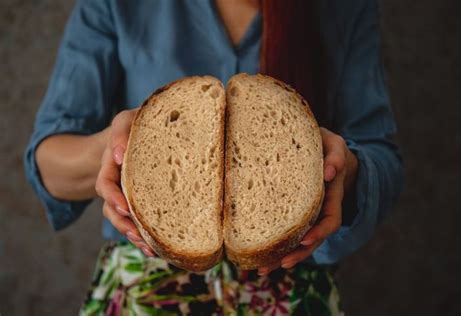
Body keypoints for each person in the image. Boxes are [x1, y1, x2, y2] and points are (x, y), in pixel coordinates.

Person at [24, 0, 403, 314]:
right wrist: (113, 149)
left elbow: (382, 159)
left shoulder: (346, 9)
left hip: (292, 293)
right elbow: (48, 160)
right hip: (146, 291)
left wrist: (347, 169)